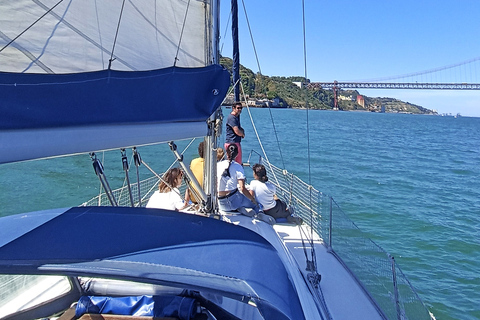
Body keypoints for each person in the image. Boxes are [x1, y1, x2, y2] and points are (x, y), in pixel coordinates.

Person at [217, 143, 260, 214]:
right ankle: (256, 213)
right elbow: (242, 188)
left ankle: (240, 208)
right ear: (237, 154)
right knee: (255, 205)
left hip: (220, 203)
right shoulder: (238, 167)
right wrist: (253, 200)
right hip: (233, 201)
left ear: (226, 153)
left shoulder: (218, 165)